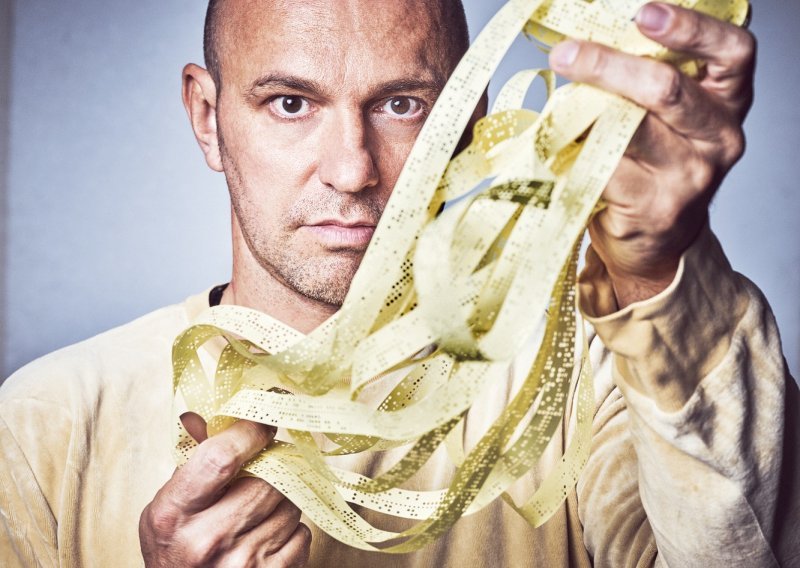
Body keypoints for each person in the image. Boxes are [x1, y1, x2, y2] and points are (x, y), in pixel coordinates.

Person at [1, 0, 798, 566]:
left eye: (403, 105)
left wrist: (657, 268)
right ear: (207, 117)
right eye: (290, 103)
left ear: (470, 124)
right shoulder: (45, 424)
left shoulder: (592, 383)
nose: (352, 170)